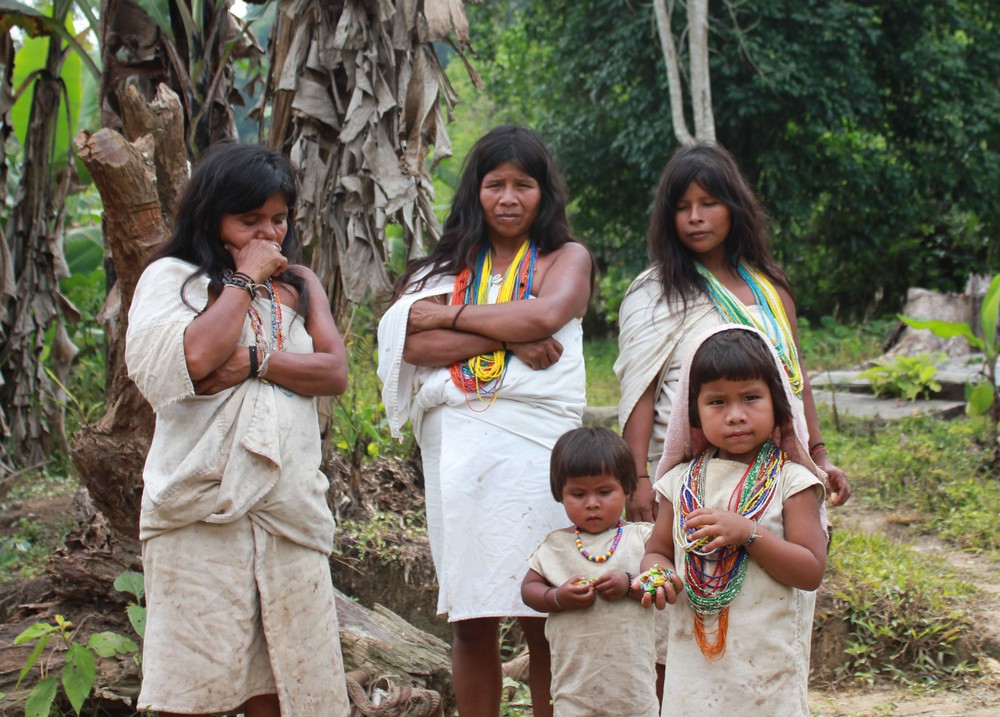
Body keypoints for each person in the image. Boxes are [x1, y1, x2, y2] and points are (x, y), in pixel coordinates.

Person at [125, 141, 351, 717]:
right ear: (210, 217)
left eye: (278, 219)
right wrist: (245, 280)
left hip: (288, 511)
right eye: (248, 220)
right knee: (192, 692)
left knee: (285, 687)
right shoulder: (171, 279)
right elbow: (195, 358)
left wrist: (256, 362)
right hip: (200, 512)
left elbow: (334, 371)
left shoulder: (300, 284)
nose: (268, 235)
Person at [377, 125, 592, 717]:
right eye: (495, 184)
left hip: (538, 454)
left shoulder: (564, 257)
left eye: (524, 184)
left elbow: (548, 313)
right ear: (475, 192)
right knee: (472, 615)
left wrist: (456, 321)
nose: (508, 197)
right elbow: (410, 347)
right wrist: (509, 336)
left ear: (544, 194)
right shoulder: (436, 270)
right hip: (460, 457)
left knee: (544, 614)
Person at [615, 141, 851, 525]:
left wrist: (818, 455)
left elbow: (796, 378)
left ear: (734, 207)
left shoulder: (770, 288)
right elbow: (640, 392)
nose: (695, 217)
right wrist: (638, 478)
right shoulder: (654, 292)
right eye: (682, 207)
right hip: (685, 478)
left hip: (773, 476)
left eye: (708, 203)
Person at [638, 325, 827, 714]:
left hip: (766, 665)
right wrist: (658, 575)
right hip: (694, 661)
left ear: (777, 402)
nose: (736, 415)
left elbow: (810, 571)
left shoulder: (793, 482)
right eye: (717, 402)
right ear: (693, 413)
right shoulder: (678, 484)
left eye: (751, 398)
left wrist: (748, 534)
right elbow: (656, 550)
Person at [521, 427, 658, 717]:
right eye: (578, 494)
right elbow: (529, 589)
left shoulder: (642, 539)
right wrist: (557, 597)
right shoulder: (555, 546)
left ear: (627, 489)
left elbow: (665, 582)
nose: (592, 503)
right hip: (575, 686)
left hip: (632, 685)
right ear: (560, 493)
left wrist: (630, 583)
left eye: (605, 492)